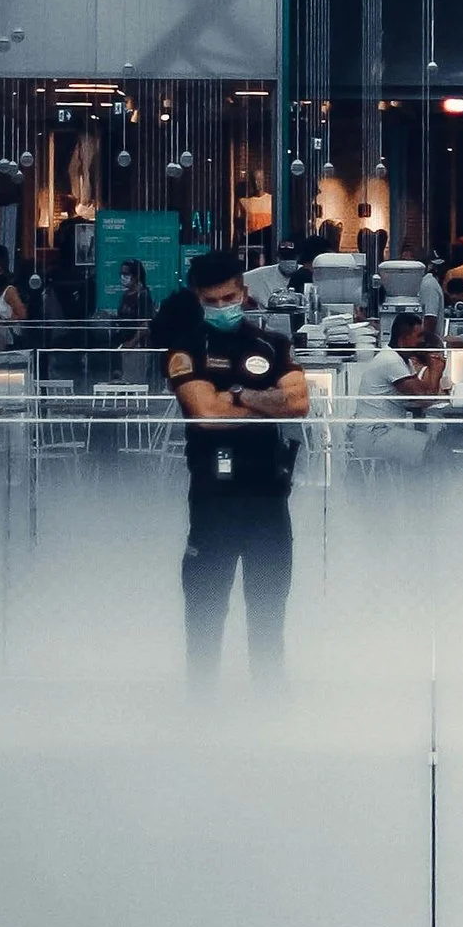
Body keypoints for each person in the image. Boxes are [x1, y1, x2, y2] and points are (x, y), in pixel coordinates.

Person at [156, 249, 307, 684]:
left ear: (243, 291)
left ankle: (269, 707)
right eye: (212, 300)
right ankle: (202, 712)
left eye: (228, 298)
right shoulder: (186, 350)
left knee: (268, 618)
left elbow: (298, 402)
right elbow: (203, 410)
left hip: (269, 497)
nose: (222, 307)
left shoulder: (271, 345)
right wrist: (262, 400)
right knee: (204, 618)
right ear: (198, 298)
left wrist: (236, 397)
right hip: (213, 499)